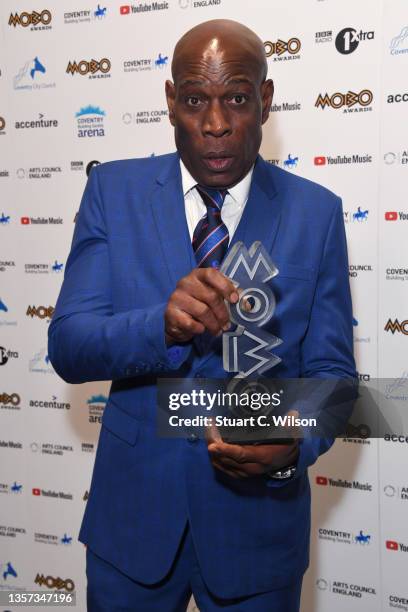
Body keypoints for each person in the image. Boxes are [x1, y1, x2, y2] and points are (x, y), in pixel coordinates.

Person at [48, 19, 356, 612]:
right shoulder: (112, 191)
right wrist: (158, 325)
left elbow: (334, 377)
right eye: (195, 100)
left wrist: (294, 443)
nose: (216, 124)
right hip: (132, 527)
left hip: (257, 537)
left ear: (265, 101)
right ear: (170, 102)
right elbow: (69, 343)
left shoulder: (317, 213)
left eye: (237, 98)